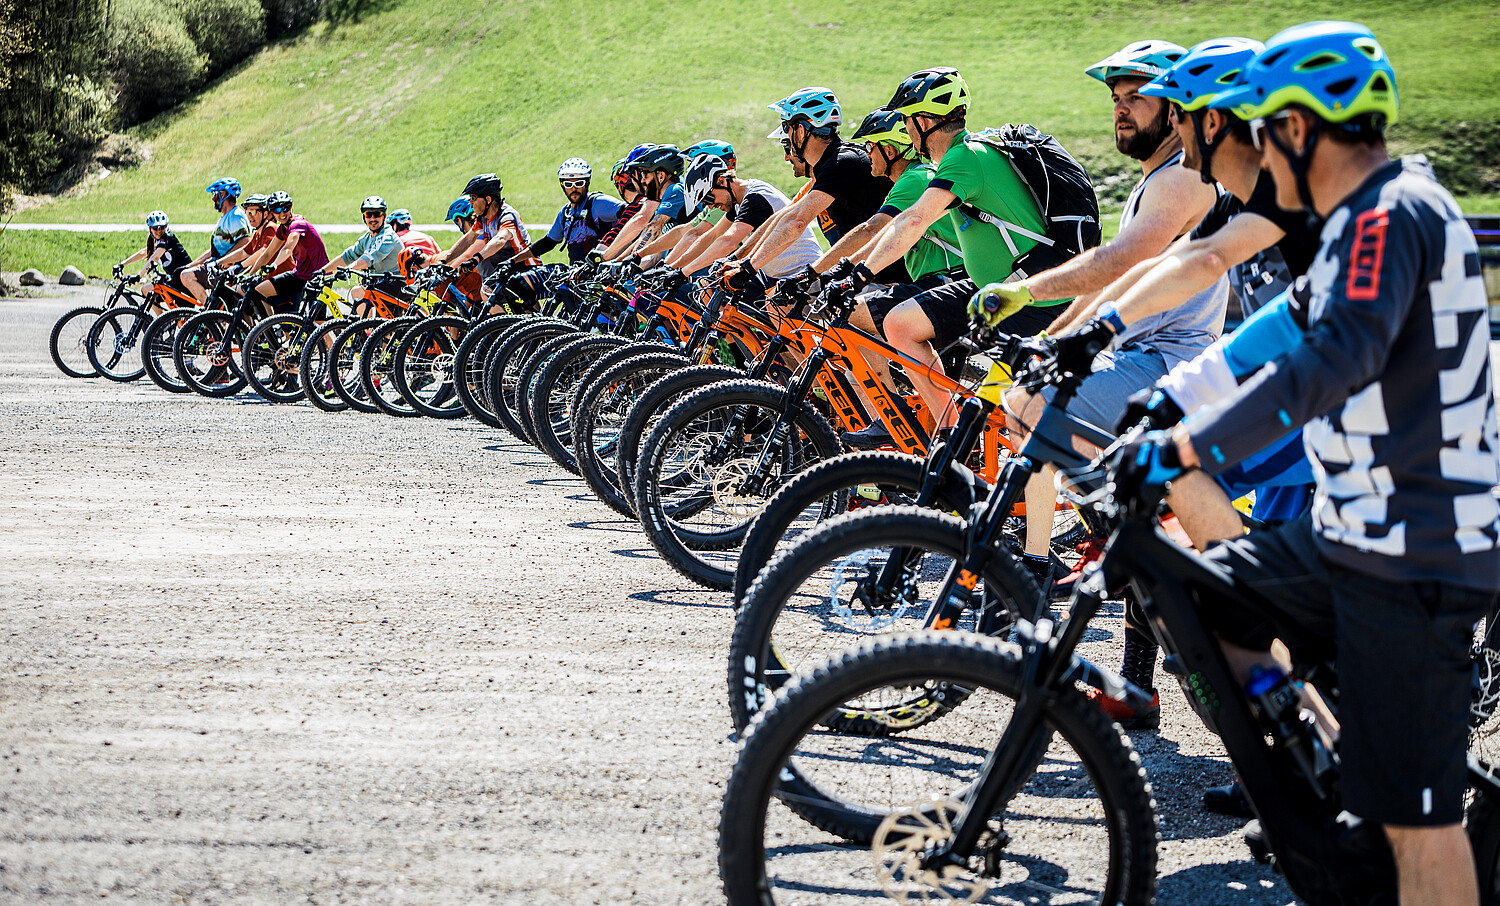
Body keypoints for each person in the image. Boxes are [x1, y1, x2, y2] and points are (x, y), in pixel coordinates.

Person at [1124, 22, 1498, 905]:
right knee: (1204, 597)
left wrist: (1184, 446)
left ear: (1299, 128)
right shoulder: (1359, 222)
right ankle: (1326, 767)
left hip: (1416, 556)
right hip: (1353, 536)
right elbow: (1284, 327)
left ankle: (1385, 824)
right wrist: (1173, 397)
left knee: (1422, 828)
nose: (1255, 152)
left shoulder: (1395, 215)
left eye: (1263, 129)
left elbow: (1332, 358)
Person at [971, 41, 1224, 596]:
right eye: (1116, 99)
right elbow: (1113, 285)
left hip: (1168, 362)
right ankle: (1111, 539)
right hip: (1138, 356)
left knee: (1030, 405)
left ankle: (1098, 543)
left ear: (1176, 109)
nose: (1121, 108)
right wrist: (1051, 338)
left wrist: (1024, 292)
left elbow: (1119, 261)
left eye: (1137, 97)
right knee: (1031, 398)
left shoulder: (1182, 177)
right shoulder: (1154, 180)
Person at [830, 69, 1057, 431]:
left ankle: (953, 437)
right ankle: (951, 433)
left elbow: (913, 221)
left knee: (1015, 420)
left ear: (924, 121)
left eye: (907, 120)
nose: (906, 130)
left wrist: (859, 274)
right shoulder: (961, 156)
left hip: (1022, 296)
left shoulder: (965, 157)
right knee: (900, 323)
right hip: (992, 289)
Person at [828, 106, 968, 448]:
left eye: (871, 147)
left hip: (946, 279)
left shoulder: (914, 179)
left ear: (890, 151)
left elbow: (874, 229)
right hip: (939, 279)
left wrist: (834, 272)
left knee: (852, 313)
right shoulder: (912, 178)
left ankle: (891, 415)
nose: (867, 155)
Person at [722, 87, 903, 290]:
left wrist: (748, 268)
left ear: (801, 130)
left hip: (886, 278)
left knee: (786, 300)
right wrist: (739, 259)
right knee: (782, 299)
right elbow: (786, 216)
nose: (787, 135)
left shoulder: (842, 163)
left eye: (787, 127)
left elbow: (797, 222)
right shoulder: (832, 164)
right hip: (865, 273)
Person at [674, 153, 821, 278]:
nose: (710, 206)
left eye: (708, 199)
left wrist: (685, 272)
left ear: (721, 181)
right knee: (709, 285)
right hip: (777, 275)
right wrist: (673, 267)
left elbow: (729, 242)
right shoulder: (738, 202)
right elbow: (712, 236)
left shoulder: (756, 198)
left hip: (802, 271)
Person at [244, 190, 329, 314]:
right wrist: (251, 274)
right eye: (277, 210)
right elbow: (267, 254)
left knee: (317, 321)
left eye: (286, 208)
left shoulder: (297, 224)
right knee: (258, 290)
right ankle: (271, 324)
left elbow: (287, 248)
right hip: (300, 275)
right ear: (272, 212)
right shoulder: (282, 229)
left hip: (318, 276)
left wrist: (274, 265)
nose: (282, 214)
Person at [525, 158, 624, 263]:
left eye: (579, 183)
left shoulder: (599, 203)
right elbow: (548, 242)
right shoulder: (565, 212)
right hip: (578, 271)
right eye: (568, 184)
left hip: (604, 269)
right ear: (562, 185)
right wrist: (515, 260)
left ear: (587, 183)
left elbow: (632, 211)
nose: (573, 189)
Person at [321, 196, 406, 311]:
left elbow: (368, 258)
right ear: (364, 217)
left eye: (377, 214)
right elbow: (348, 256)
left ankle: (366, 323)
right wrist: (322, 271)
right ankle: (366, 322)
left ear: (384, 216)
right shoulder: (368, 237)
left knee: (358, 291)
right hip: (382, 284)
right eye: (368, 214)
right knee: (364, 293)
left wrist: (348, 269)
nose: (372, 218)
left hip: (397, 284)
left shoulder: (387, 237)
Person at [179, 177, 252, 303]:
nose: (213, 198)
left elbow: (245, 241)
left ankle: (209, 309)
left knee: (186, 276)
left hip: (226, 269)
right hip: (218, 266)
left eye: (215, 194)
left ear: (223, 194)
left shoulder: (235, 216)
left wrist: (225, 261)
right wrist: (191, 264)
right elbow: (215, 249)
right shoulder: (225, 217)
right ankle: (212, 309)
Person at [117, 211, 192, 306]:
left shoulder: (168, 238)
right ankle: (159, 316)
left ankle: (169, 316)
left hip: (184, 283)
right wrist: (122, 264)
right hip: (174, 281)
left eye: (162, 227)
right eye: (155, 228)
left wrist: (139, 276)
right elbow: (143, 253)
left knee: (182, 315)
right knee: (146, 290)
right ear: (150, 228)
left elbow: (155, 257)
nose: (159, 231)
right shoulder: (158, 241)